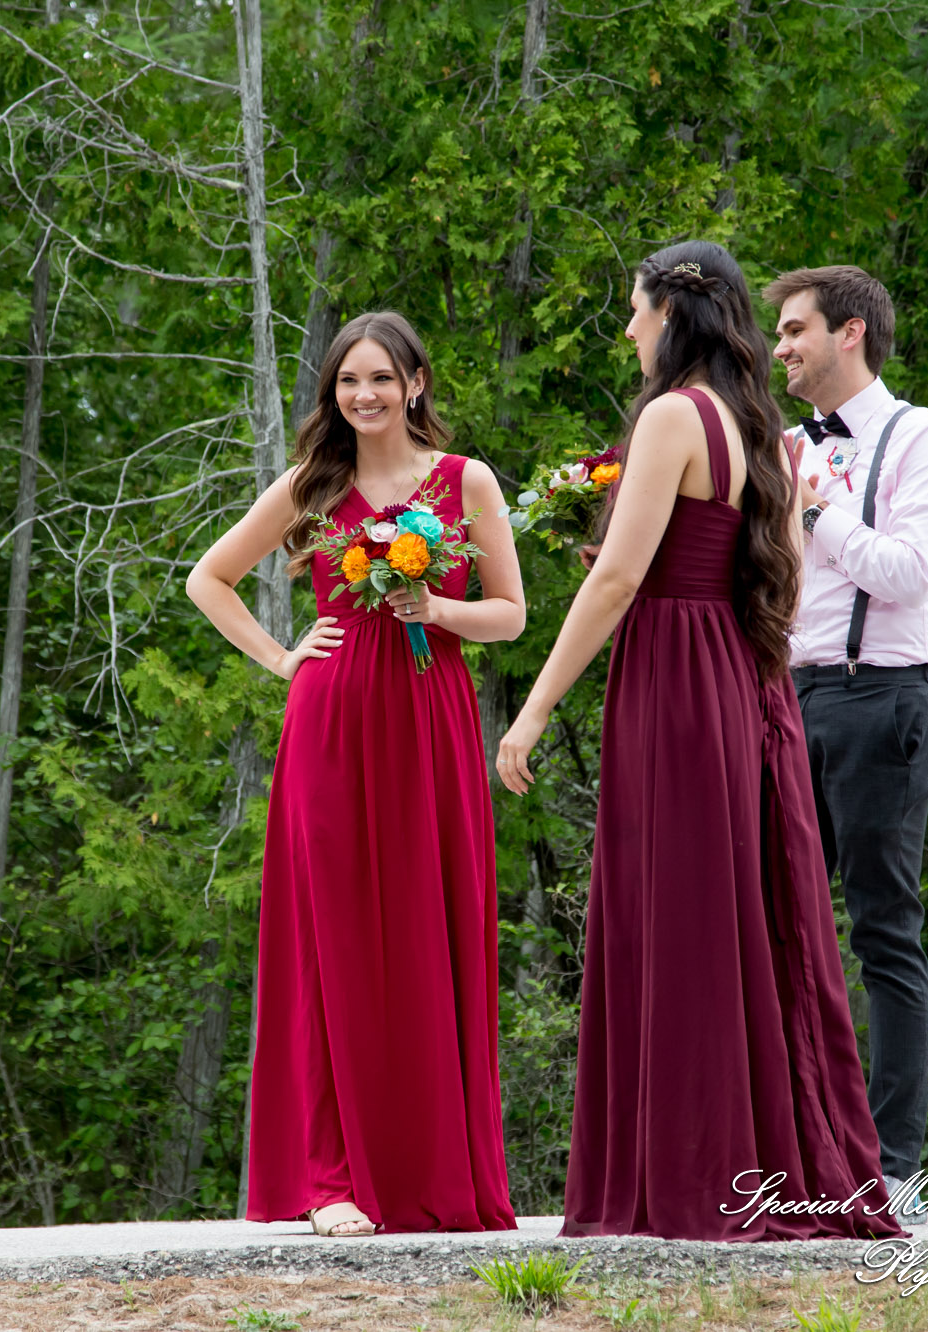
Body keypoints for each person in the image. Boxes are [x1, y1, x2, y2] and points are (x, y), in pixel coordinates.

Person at [496, 241, 904, 1242]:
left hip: (673, 684)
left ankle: (683, 1177)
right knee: (733, 919)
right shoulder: (761, 426)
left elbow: (618, 581)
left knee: (674, 921)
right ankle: (750, 1163)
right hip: (738, 677)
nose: (629, 331)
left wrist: (537, 706)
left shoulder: (674, 416)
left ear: (676, 316)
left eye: (636, 312)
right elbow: (782, 577)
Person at [185, 311, 524, 1237]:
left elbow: (512, 615)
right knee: (332, 940)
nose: (363, 396)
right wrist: (283, 658)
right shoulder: (312, 485)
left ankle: (430, 1169)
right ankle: (334, 1179)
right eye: (347, 382)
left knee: (427, 927)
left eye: (381, 379)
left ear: (416, 382)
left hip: (430, 720)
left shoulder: (467, 481)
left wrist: (437, 607)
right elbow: (207, 579)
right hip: (333, 721)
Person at [763, 265, 928, 1219]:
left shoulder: (921, 438)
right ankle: (792, 1152)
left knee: (884, 929)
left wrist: (820, 513)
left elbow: (912, 576)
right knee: (772, 929)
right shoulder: (779, 445)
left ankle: (893, 1166)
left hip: (885, 700)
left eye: (796, 329)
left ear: (850, 332)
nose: (780, 348)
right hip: (786, 702)